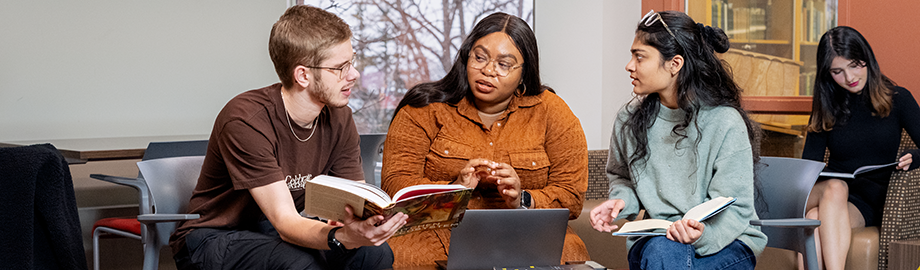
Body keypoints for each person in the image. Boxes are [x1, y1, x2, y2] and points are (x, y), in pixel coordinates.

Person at [168, 5, 409, 270]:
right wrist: (340, 237)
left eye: (351, 62)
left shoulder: (339, 118)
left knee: (375, 254)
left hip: (272, 233)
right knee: (300, 262)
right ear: (303, 75)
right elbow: (285, 222)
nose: (354, 74)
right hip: (212, 238)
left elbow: (354, 204)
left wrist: (365, 224)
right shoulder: (246, 119)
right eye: (340, 67)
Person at [381, 12, 590, 267]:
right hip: (436, 229)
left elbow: (571, 195)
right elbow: (396, 186)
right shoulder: (423, 110)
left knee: (571, 254)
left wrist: (522, 199)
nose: (488, 70)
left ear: (525, 71)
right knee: (403, 256)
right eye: (479, 57)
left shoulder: (552, 112)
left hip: (524, 231)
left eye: (504, 64)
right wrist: (454, 190)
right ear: (466, 56)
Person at [589, 10, 767, 270]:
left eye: (640, 57)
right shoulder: (629, 120)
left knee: (669, 257)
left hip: (727, 242)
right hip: (658, 241)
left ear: (675, 64)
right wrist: (621, 201)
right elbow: (622, 178)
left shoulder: (724, 121)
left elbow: (736, 208)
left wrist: (701, 235)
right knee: (665, 249)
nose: (629, 65)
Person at [800, 26, 920, 270]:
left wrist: (915, 157)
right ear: (827, 74)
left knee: (813, 221)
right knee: (834, 187)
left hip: (866, 201)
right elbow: (808, 167)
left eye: (854, 65)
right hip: (828, 191)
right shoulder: (827, 105)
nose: (849, 77)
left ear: (867, 58)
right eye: (838, 71)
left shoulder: (898, 99)